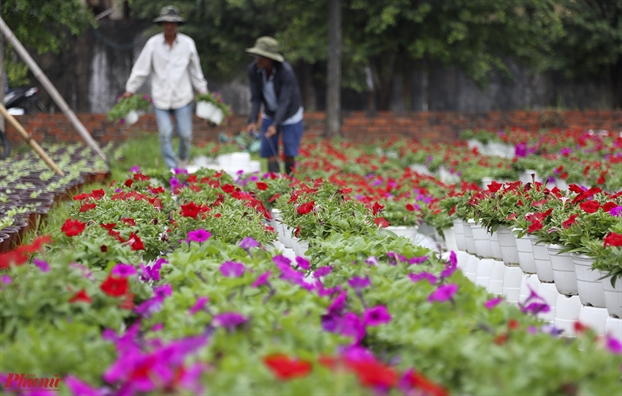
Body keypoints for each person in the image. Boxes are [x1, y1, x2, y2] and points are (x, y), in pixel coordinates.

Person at [122, 5, 208, 170]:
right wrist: (130, 89)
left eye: (172, 23)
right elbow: (141, 69)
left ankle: (182, 161)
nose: (169, 26)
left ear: (177, 25)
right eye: (166, 23)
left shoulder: (187, 44)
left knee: (185, 134)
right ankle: (172, 168)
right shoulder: (153, 44)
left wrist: (203, 91)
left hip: (182, 97)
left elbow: (195, 71)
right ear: (162, 24)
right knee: (165, 134)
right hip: (161, 98)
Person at [245, 36, 304, 176]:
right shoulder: (253, 70)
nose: (257, 60)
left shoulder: (285, 72)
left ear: (271, 58)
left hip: (291, 114)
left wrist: (276, 125)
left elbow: (285, 102)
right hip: (270, 113)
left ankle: (290, 187)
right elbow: (256, 97)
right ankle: (275, 187)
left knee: (289, 152)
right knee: (270, 151)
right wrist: (253, 120)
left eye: (262, 57)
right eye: (256, 56)